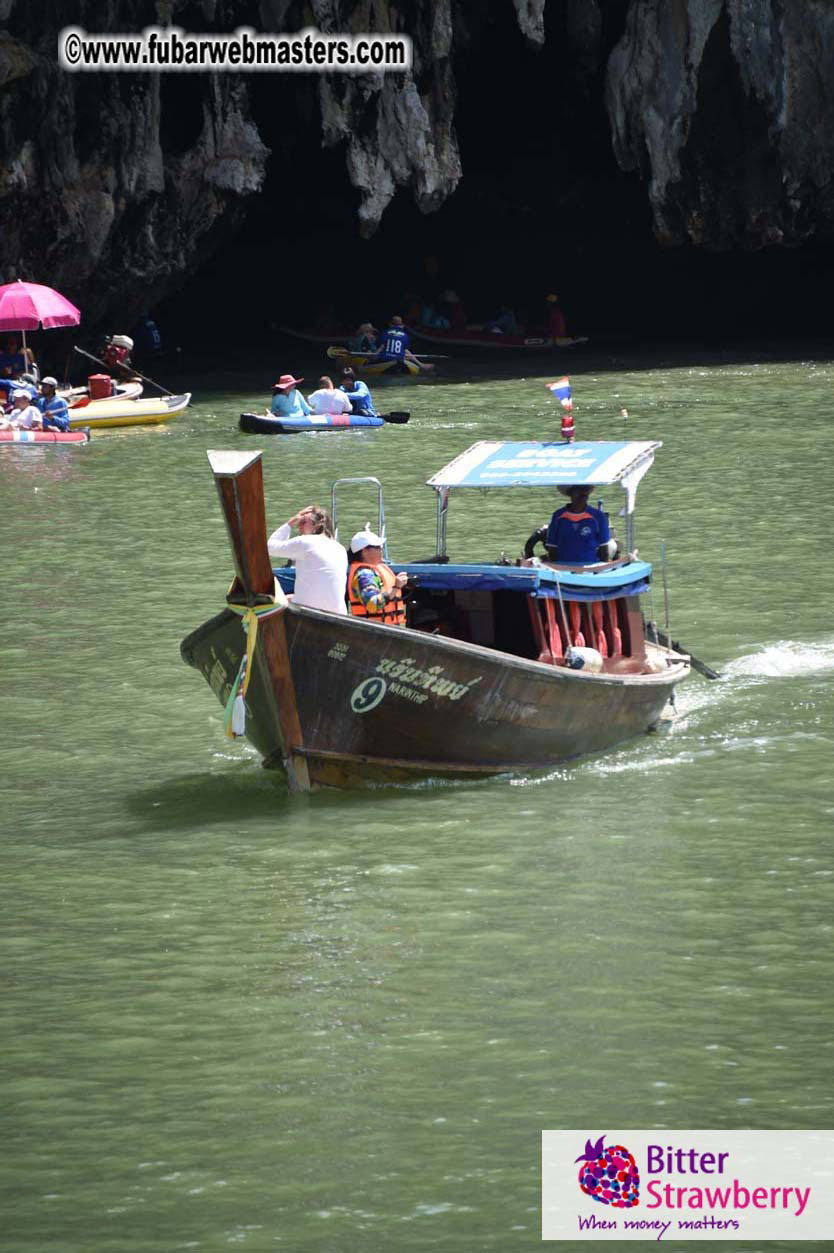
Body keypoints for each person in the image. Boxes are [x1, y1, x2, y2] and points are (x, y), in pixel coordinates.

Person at [267, 506, 348, 615]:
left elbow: (269, 547)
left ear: (318, 524)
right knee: (289, 598)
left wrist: (290, 522)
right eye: (298, 523)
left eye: (302, 522)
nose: (299, 526)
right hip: (339, 615)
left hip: (309, 614)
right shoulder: (340, 549)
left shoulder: (305, 542)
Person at [525, 485, 612, 565]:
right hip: (562, 566)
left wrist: (601, 569)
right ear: (570, 494)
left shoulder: (598, 516)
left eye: (585, 492)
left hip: (590, 565)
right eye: (578, 492)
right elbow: (552, 548)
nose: (582, 495)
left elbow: (604, 549)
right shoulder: (558, 516)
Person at [347, 527, 407, 625]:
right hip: (372, 632)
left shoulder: (374, 571)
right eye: (377, 547)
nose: (381, 549)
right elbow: (373, 604)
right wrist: (396, 587)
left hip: (385, 630)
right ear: (364, 551)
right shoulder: (364, 575)